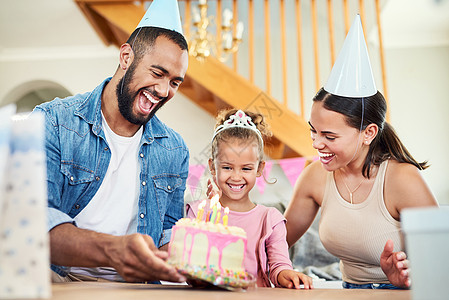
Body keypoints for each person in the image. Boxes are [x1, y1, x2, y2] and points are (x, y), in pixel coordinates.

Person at [32, 0, 189, 283]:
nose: (164, 90)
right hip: (62, 280)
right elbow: (34, 222)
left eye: (175, 82)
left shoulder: (175, 149)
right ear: (126, 57)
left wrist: (194, 265)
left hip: (139, 287)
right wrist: (113, 250)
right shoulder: (53, 122)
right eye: (157, 73)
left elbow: (168, 233)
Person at [284, 15, 438, 289]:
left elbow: (441, 268)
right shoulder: (314, 177)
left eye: (329, 136)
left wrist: (404, 280)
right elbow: (277, 242)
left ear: (368, 133)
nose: (316, 143)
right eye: (313, 131)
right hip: (348, 292)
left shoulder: (402, 180)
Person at [188, 109, 313, 289]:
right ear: (212, 167)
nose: (236, 177)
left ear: (260, 168)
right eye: (227, 167)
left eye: (246, 169)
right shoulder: (197, 212)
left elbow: (279, 266)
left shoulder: (270, 219)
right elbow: (191, 268)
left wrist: (288, 275)